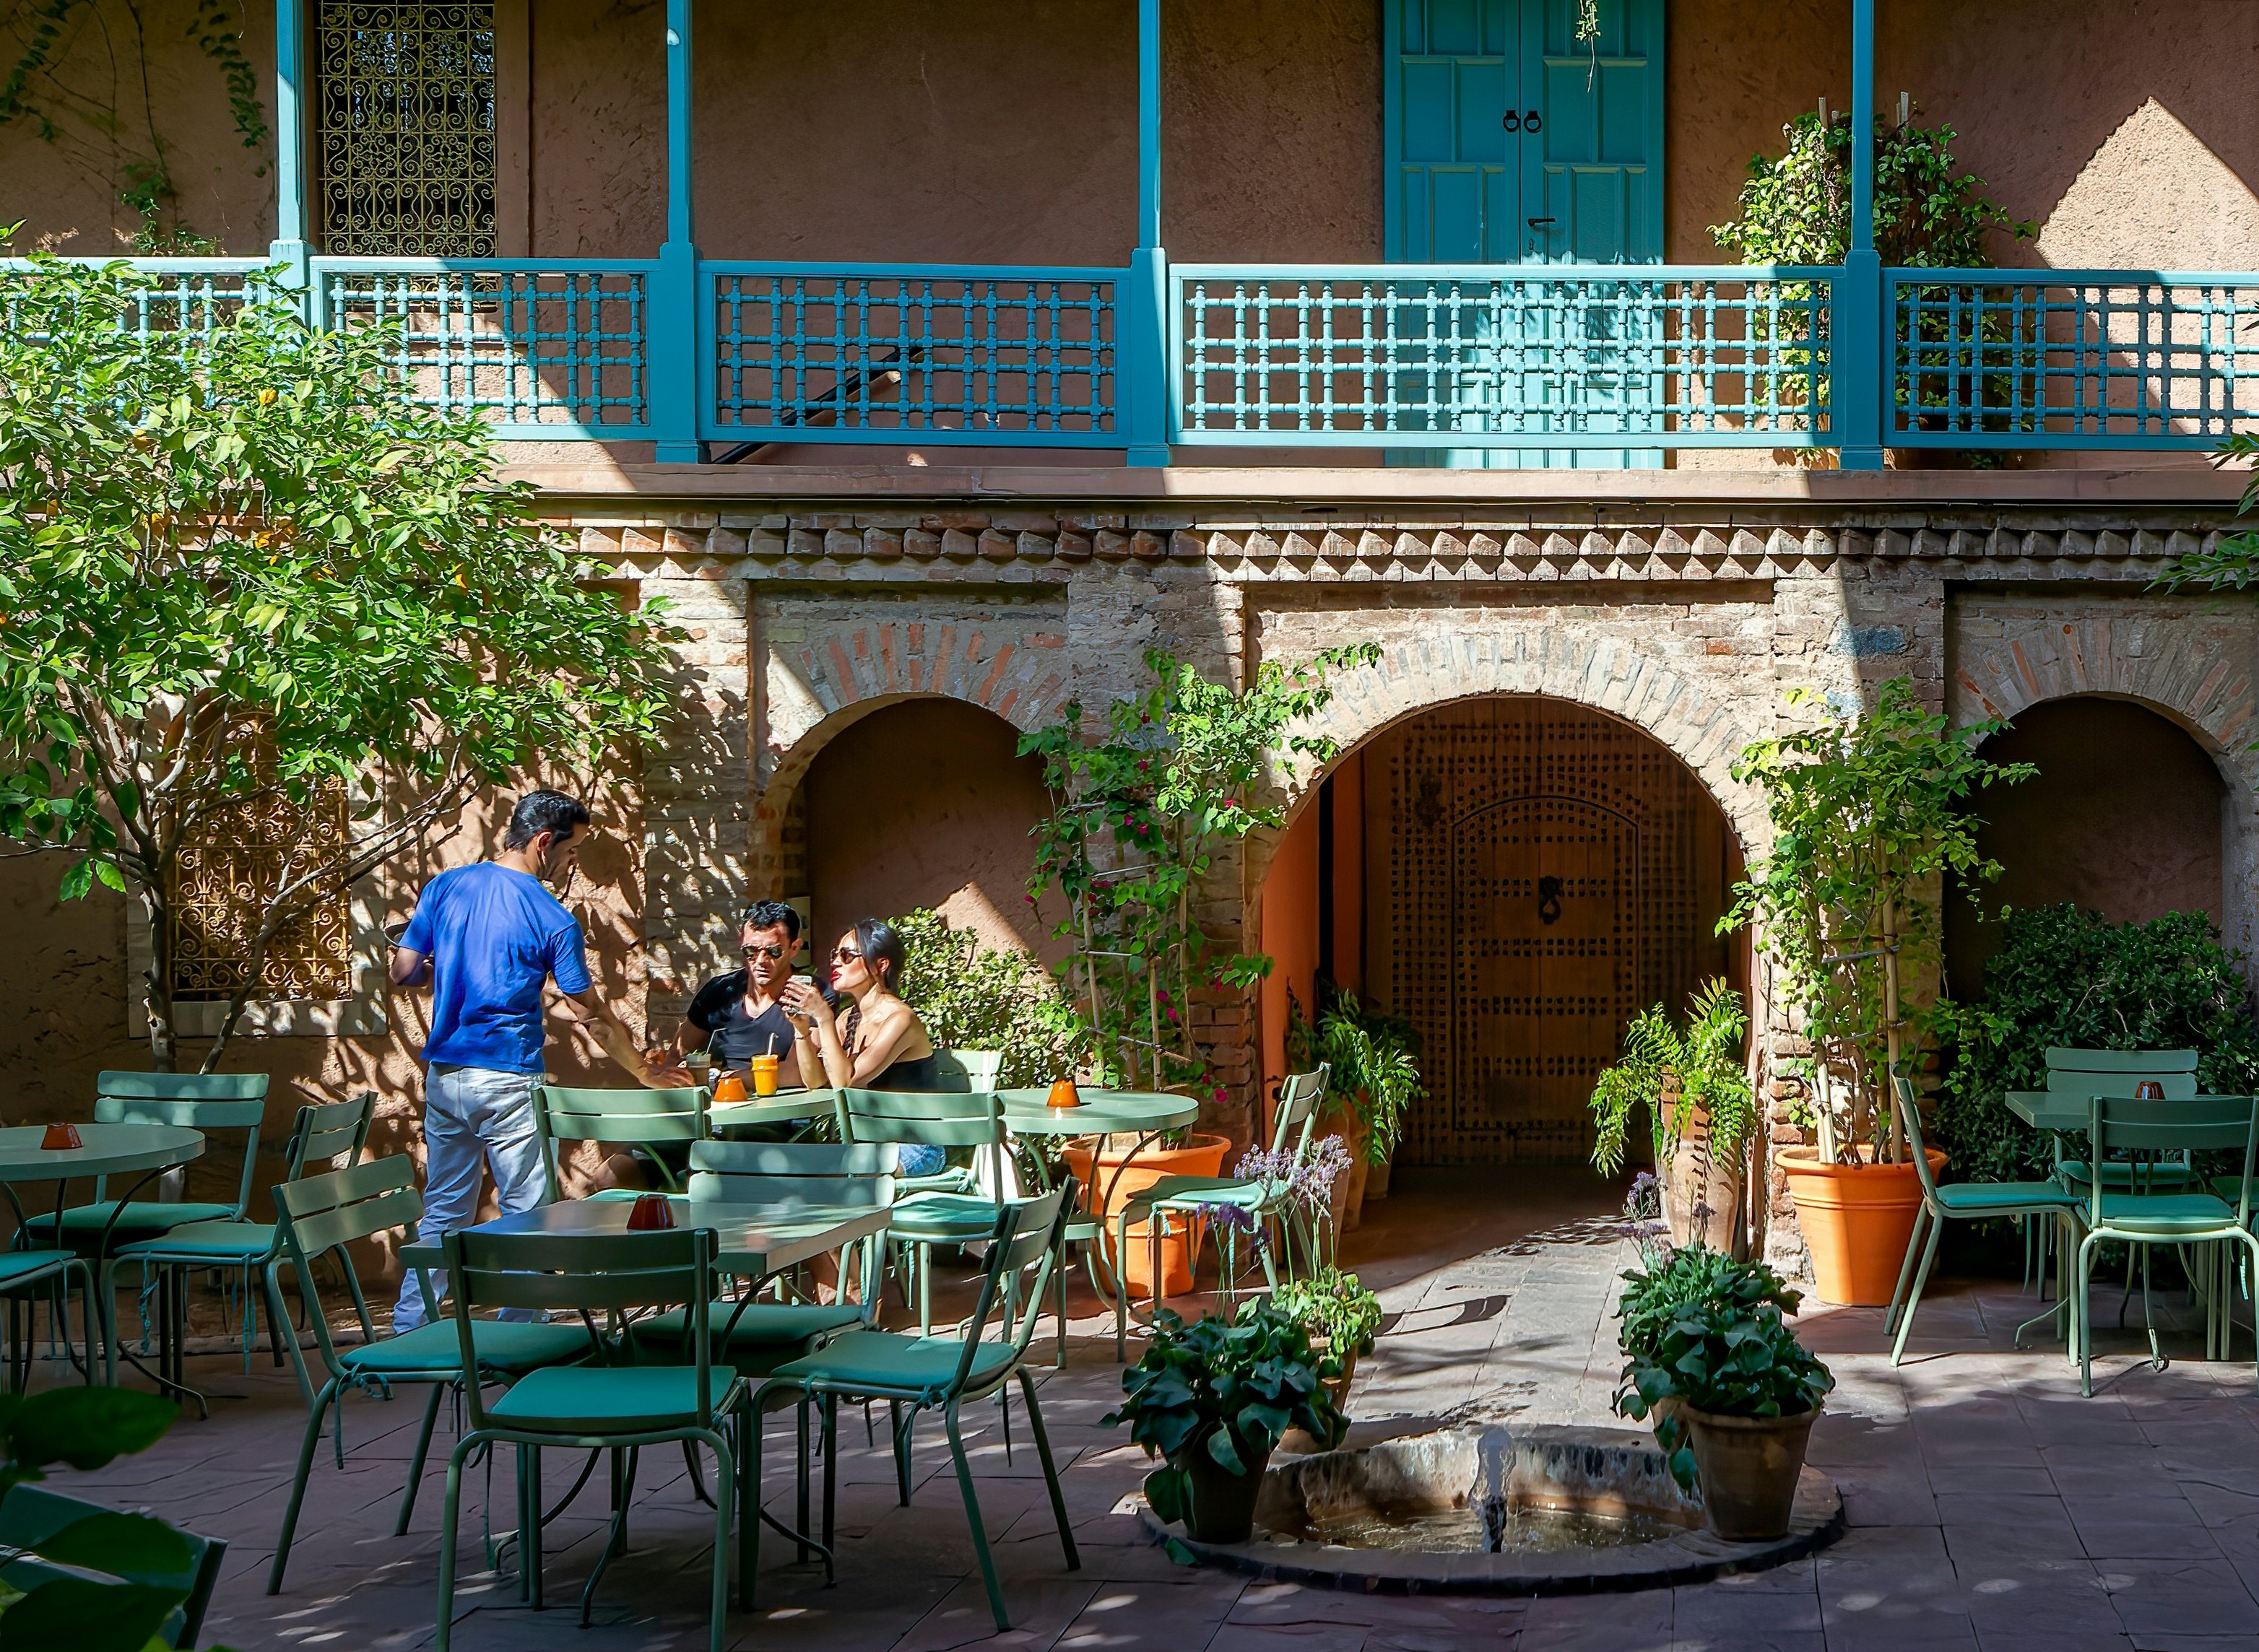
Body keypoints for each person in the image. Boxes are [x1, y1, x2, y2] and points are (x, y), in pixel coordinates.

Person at [386, 789, 682, 1331]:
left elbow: (404, 971)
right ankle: (519, 1332)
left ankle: (409, 1329)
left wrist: (446, 968)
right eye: (571, 853)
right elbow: (590, 1013)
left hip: (446, 1076)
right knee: (528, 1214)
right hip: (507, 1077)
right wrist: (643, 1070)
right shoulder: (552, 917)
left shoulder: (445, 886)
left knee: (445, 1207)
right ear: (544, 843)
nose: (572, 865)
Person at [783, 918, 946, 1175]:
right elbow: (814, 1081)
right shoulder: (848, 1018)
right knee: (793, 1163)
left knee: (829, 1174)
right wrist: (801, 1031)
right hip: (868, 1142)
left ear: (881, 965)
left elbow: (844, 1084)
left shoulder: (900, 1019)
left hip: (914, 1145)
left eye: (847, 955)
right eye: (835, 954)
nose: (835, 962)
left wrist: (824, 1017)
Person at [675, 899, 807, 1080]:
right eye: (751, 951)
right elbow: (678, 1055)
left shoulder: (808, 996)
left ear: (794, 948)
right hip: (721, 1095)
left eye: (773, 951)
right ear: (741, 942)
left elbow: (797, 1073)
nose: (760, 960)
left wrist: (728, 1080)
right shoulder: (719, 991)